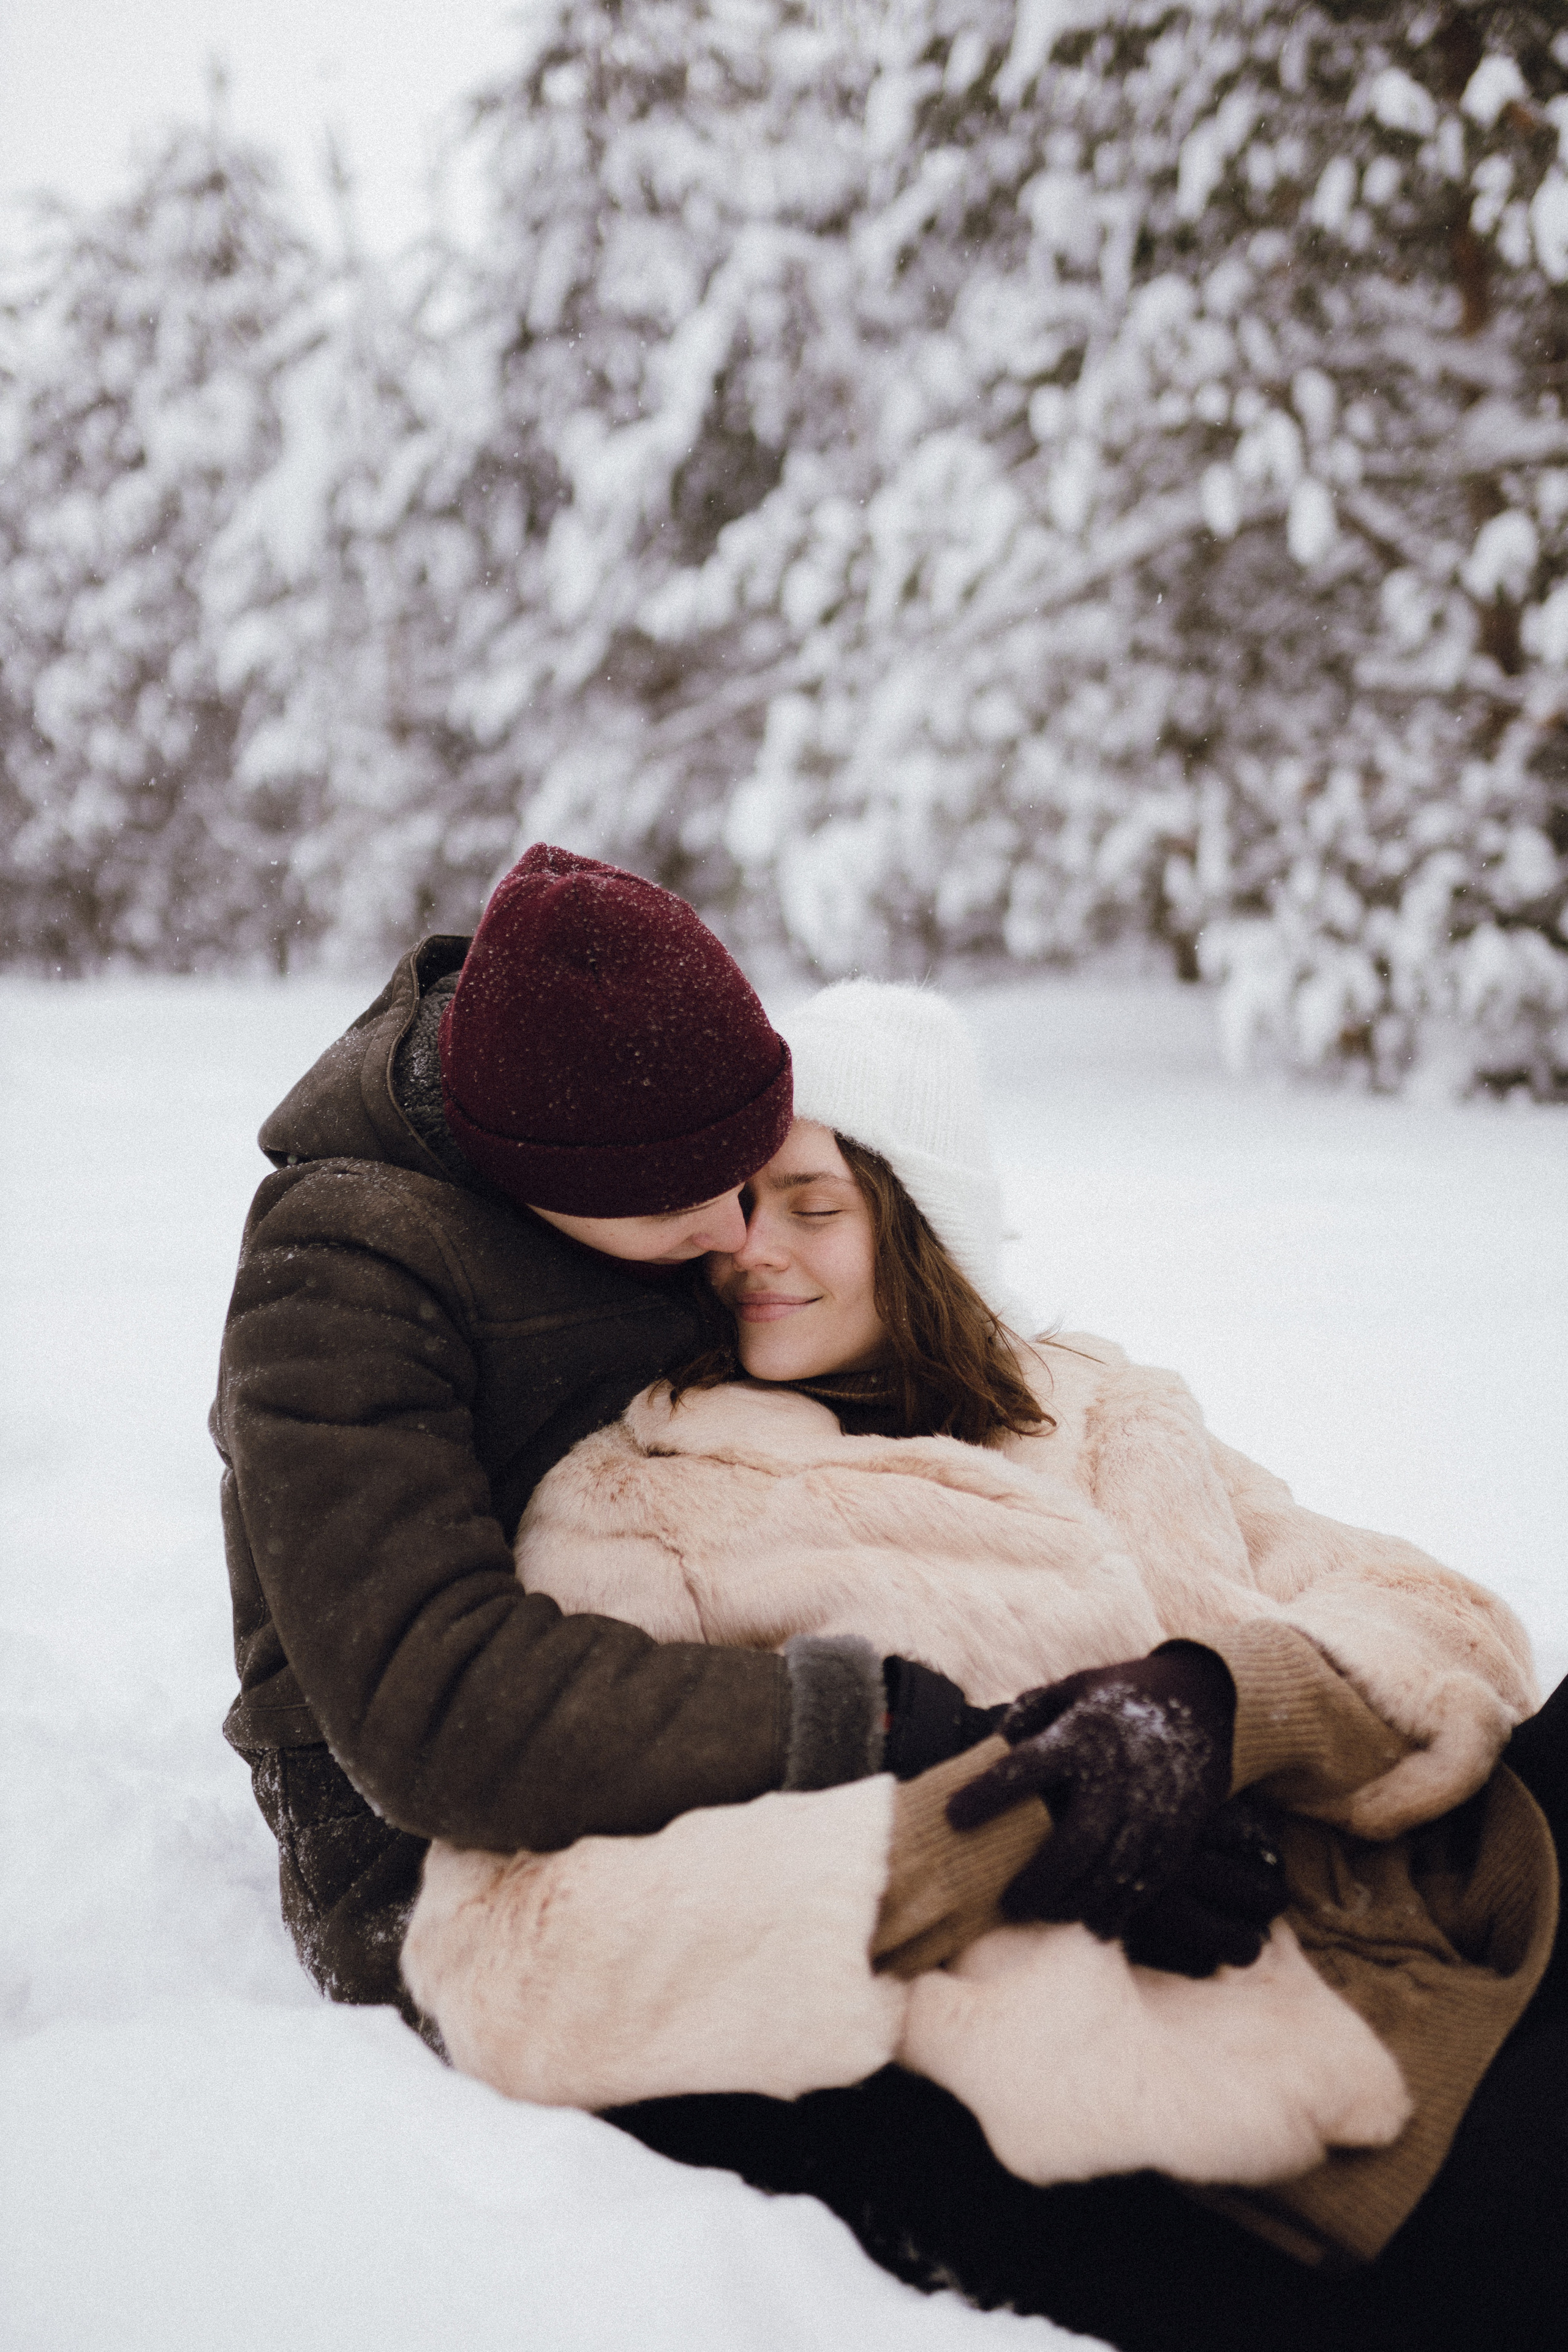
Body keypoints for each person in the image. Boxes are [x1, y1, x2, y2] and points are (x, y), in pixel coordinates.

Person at [400, 979, 1565, 2352]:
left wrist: (1219, 1699)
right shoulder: (645, 1504)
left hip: (1431, 1889)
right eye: (735, 1205)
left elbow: (1443, 1619)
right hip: (1236, 2040)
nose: (748, 1248)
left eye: (812, 1205)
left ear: (923, 1222)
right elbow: (505, 1943)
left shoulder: (1092, 1404)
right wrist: (993, 1833)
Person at [213, 847, 1060, 2032]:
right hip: (425, 1835)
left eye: (746, 1177)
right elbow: (432, 1705)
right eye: (681, 1201)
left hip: (678, 1688)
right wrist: (856, 1719)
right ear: (543, 1183)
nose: (734, 1233)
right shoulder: (339, 1280)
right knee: (924, 1979)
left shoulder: (629, 1139)